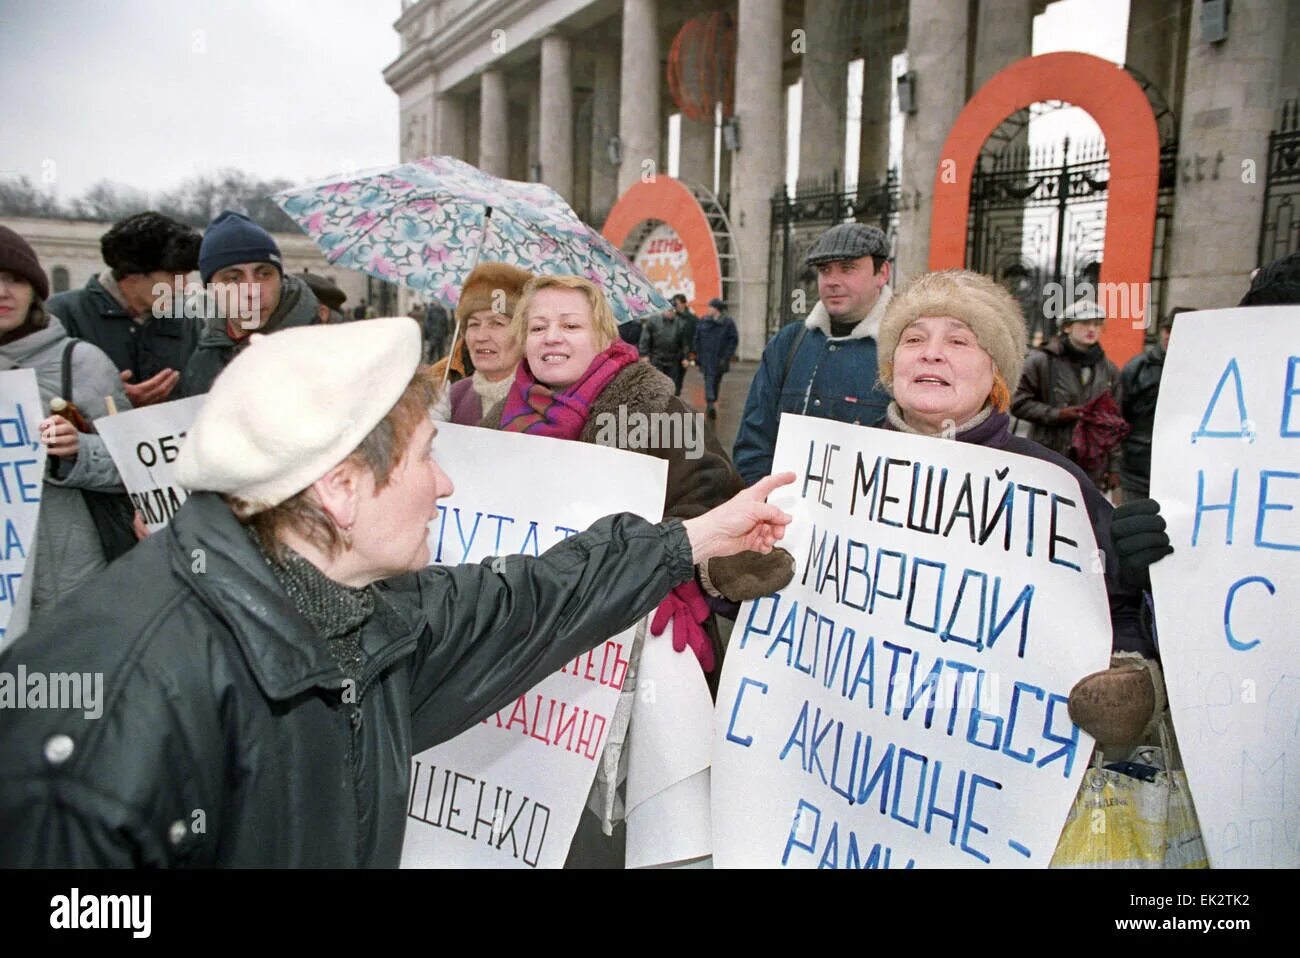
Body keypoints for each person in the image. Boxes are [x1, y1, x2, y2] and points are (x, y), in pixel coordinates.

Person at [0, 315, 793, 867]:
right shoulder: (103, 715)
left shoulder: (365, 616)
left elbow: (529, 600)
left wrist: (690, 539)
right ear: (341, 491)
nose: (446, 485)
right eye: (424, 458)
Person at [481, 274, 794, 866]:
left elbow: (713, 499)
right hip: (539, 653)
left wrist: (668, 565)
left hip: (639, 647)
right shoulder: (501, 419)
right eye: (538, 326)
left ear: (602, 334)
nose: (552, 338)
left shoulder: (654, 409)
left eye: (570, 325)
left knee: (630, 822)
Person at [873, 269, 1158, 750]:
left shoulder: (1053, 484)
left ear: (996, 374)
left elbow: (1119, 613)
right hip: (858, 748)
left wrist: (1130, 663)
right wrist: (740, 571)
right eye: (913, 338)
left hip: (992, 757)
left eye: (959, 341)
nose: (931, 352)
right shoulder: (834, 467)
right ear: (891, 366)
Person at [0, 225, 130, 637]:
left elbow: (133, 468)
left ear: (34, 291)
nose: (3, 292)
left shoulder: (81, 363)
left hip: (65, 589)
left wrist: (78, 451)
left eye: (15, 280)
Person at [733, 222, 894, 487]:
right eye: (824, 270)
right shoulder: (789, 343)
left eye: (848, 268)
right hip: (781, 522)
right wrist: (763, 503)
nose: (832, 281)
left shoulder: (907, 350)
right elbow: (754, 443)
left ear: (882, 273)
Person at [46, 211, 201, 407]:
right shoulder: (61, 315)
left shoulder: (188, 320)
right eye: (173, 276)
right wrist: (110, 400)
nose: (184, 286)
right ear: (133, 273)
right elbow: (39, 395)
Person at [179, 211, 320, 397]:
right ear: (211, 289)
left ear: (281, 279)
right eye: (233, 278)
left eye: (264, 274)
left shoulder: (319, 351)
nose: (252, 291)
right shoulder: (203, 355)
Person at [1012, 298, 1122, 492]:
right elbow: (1018, 402)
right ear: (1067, 327)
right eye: (1085, 323)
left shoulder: (1108, 369)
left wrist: (1113, 468)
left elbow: (1113, 422)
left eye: (1097, 324)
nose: (1092, 329)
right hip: (1048, 457)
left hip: (1090, 465)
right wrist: (1057, 414)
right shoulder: (1041, 361)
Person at [431, 262, 531, 425]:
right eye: (474, 324)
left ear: (524, 333)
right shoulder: (454, 396)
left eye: (497, 323)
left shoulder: (546, 402)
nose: (481, 336)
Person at [1117, 308, 1187, 503]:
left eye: (1178, 331)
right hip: (1137, 469)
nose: (1171, 336)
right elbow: (1120, 416)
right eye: (1168, 330)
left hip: (1180, 469)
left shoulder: (1203, 369)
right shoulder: (1138, 367)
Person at [693, 296, 738, 420]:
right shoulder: (704, 321)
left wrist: (727, 356)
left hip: (720, 358)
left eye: (710, 307)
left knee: (716, 381)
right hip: (706, 358)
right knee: (709, 379)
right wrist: (697, 353)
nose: (708, 309)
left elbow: (733, 340)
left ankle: (712, 401)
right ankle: (711, 403)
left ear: (717, 309)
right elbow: (697, 337)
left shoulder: (728, 323)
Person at [637, 299, 691, 396]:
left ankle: (671, 404)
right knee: (657, 384)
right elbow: (645, 339)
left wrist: (685, 357)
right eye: (669, 310)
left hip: (673, 359)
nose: (671, 313)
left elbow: (684, 343)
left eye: (673, 310)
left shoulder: (679, 323)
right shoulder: (653, 321)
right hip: (656, 358)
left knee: (673, 384)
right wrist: (644, 354)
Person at [670, 293, 698, 357]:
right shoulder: (672, 318)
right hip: (674, 355)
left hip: (689, 354)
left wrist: (693, 352)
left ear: (683, 304)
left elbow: (696, 337)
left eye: (676, 303)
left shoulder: (693, 319)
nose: (674, 305)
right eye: (673, 304)